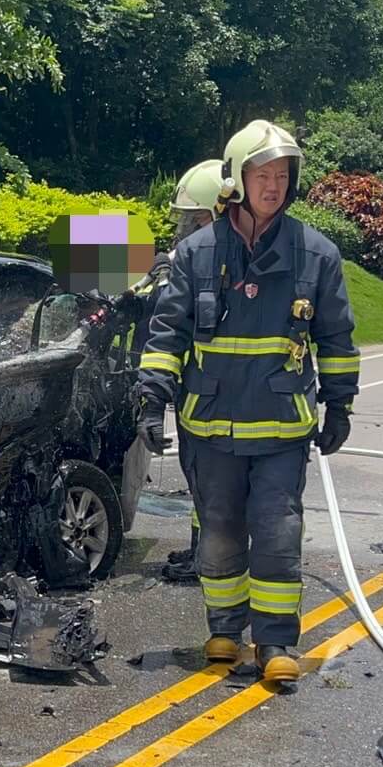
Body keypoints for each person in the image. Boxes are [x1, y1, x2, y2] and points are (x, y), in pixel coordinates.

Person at [134, 120, 361, 685]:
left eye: (283, 176)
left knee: (279, 535)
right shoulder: (195, 254)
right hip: (209, 428)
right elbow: (167, 335)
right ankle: (225, 631)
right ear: (236, 180)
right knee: (219, 533)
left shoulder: (316, 255)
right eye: (263, 174)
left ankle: (277, 642)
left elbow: (336, 339)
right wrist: (150, 401)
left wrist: (340, 405)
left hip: (282, 428)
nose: (274, 186)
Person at [154, 159, 226, 582]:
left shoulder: (221, 262)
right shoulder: (191, 258)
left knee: (213, 480)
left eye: (195, 219)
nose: (186, 229)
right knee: (197, 476)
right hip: (195, 391)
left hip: (217, 393)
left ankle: (211, 561)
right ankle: (201, 550)